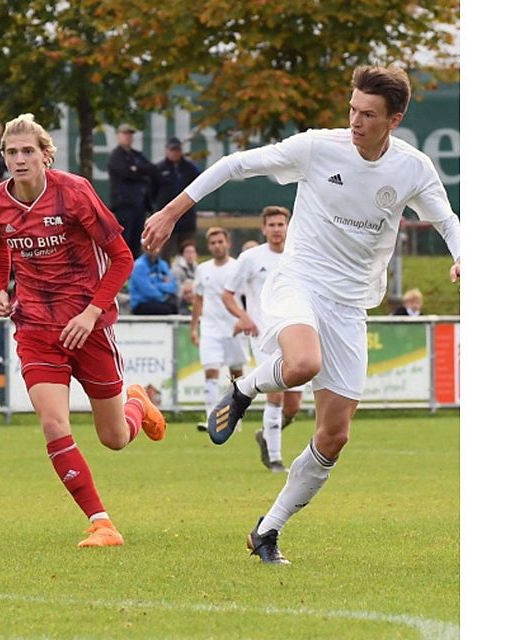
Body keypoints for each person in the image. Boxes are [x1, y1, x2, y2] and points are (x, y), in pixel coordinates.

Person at [142, 64, 460, 564]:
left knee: (334, 434)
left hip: (351, 304)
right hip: (299, 282)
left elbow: (447, 221)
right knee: (302, 364)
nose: (355, 121)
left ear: (393, 120)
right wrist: (171, 211)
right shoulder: (317, 147)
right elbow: (233, 165)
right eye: (352, 109)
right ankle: (245, 388)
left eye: (368, 115)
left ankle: (267, 530)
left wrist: (462, 255)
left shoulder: (413, 168)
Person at [0, 113, 166, 548]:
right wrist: (1, 288)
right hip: (36, 328)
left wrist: (90, 313)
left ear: (46, 155)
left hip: (89, 327)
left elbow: (122, 258)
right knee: (52, 423)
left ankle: (136, 403)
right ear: (3, 157)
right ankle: (102, 523)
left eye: (28, 151)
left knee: (114, 438)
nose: (20, 159)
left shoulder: (75, 193)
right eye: (12, 152)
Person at [222, 206, 302, 473]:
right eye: (272, 225)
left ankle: (266, 434)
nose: (277, 229)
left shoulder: (299, 254)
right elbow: (228, 294)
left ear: (288, 227)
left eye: (281, 224)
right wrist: (244, 317)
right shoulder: (251, 258)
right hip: (265, 335)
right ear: (264, 229)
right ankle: (276, 459)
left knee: (293, 407)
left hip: (296, 333)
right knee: (275, 395)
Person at [191, 227, 246, 431]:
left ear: (228, 243)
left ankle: (235, 416)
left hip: (234, 328)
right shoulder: (202, 269)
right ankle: (211, 418)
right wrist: (193, 328)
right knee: (211, 371)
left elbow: (246, 296)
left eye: (220, 241)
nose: (217, 246)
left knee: (236, 374)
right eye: (213, 243)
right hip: (210, 328)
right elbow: (198, 299)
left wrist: (245, 319)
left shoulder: (237, 266)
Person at [107, 123, 159, 258]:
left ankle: (133, 272)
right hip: (123, 205)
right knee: (124, 241)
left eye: (130, 134)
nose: (128, 137)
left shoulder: (137, 155)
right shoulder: (116, 156)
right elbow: (125, 173)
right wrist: (140, 172)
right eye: (125, 134)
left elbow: (152, 170)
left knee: (137, 241)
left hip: (139, 205)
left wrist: (137, 168)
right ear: (118, 136)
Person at [153, 137, 201, 259]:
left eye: (177, 149)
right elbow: (151, 191)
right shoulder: (159, 169)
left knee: (188, 252)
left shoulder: (190, 168)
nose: (175, 153)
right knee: (164, 254)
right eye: (172, 150)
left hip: (186, 218)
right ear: (167, 151)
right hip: (166, 219)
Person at [128, 246, 178, 315]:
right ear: (144, 248)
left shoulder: (163, 264)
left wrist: (156, 285)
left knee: (174, 307)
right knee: (167, 309)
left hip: (159, 302)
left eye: (157, 246)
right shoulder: (139, 266)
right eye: (151, 246)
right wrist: (164, 293)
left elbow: (173, 286)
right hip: (141, 303)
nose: (155, 249)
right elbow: (147, 291)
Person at [170, 240, 199, 313]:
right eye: (188, 252)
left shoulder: (198, 268)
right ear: (182, 254)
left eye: (192, 252)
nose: (190, 255)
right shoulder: (176, 269)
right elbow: (176, 289)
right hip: (178, 301)